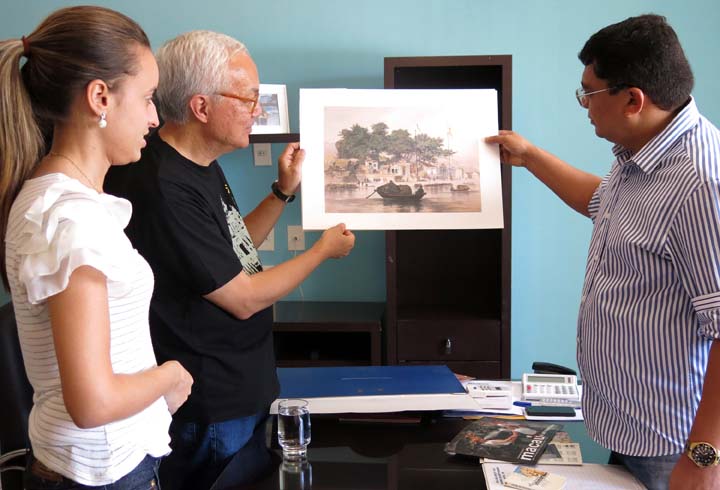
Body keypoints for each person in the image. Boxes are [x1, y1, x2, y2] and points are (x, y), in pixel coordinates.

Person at [104, 30, 355, 490]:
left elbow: (233, 251)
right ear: (202, 107)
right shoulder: (162, 184)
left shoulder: (199, 161)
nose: (257, 110)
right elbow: (242, 298)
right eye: (248, 98)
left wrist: (281, 193)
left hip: (239, 386)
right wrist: (321, 251)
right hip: (210, 405)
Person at [486, 14, 720, 490]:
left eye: (589, 93)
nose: (585, 105)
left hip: (672, 444)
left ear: (633, 99)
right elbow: (602, 202)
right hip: (632, 425)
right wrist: (529, 156)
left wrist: (703, 460)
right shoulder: (642, 154)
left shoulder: (701, 182)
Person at [0, 6, 193, 490]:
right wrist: (169, 376)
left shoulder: (60, 202)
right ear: (100, 97)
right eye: (147, 98)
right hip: (101, 474)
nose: (154, 117)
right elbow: (93, 403)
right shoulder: (71, 219)